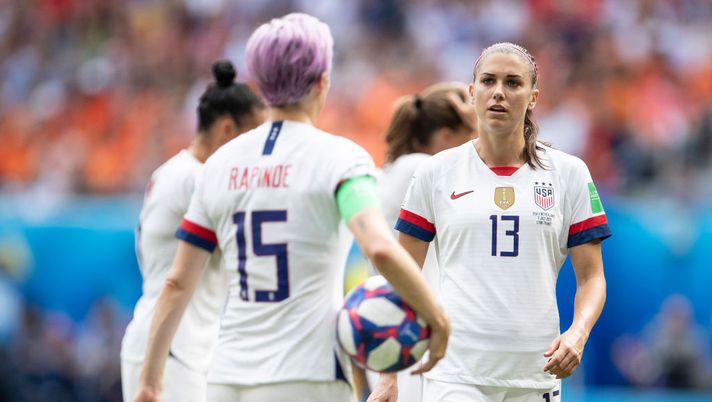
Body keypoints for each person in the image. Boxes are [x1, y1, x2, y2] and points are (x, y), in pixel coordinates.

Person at [132, 13, 450, 402]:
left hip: (227, 376)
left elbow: (176, 282)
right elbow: (380, 247)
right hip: (308, 374)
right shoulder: (341, 158)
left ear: (261, 84)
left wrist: (149, 381)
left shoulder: (219, 165)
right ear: (322, 81)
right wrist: (434, 315)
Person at [370, 42, 611, 401]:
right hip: (456, 374)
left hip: (536, 374)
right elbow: (402, 276)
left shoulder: (569, 173)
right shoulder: (435, 172)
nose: (499, 92)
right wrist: (388, 377)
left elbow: (592, 277)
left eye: (513, 83)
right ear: (472, 93)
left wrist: (578, 332)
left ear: (533, 97)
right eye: (488, 81)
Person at [120, 60, 266, 402]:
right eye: (255, 136)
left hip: (171, 345)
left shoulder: (173, 172)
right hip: (171, 352)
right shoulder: (196, 180)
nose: (260, 152)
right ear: (227, 130)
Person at [357, 82, 476, 402]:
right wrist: (484, 129)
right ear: (446, 137)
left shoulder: (394, 171)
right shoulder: (420, 169)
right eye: (469, 137)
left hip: (397, 330)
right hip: (414, 333)